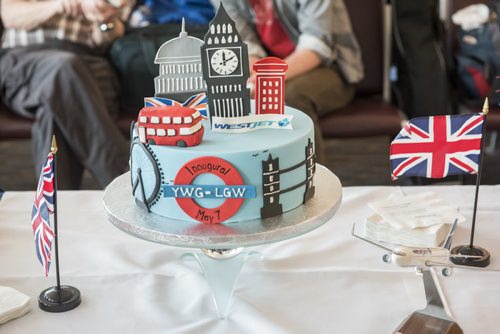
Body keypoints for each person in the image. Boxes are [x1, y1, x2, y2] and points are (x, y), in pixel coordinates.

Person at [0, 0, 133, 189]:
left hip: (87, 61)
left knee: (54, 112)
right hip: (24, 58)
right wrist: (59, 5)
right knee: (63, 70)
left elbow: (106, 35)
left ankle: (55, 213)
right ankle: (125, 182)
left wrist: (105, 21)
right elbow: (11, 16)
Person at [214, 0, 364, 164]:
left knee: (292, 96)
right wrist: (258, 76)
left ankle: (312, 180)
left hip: (331, 67)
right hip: (270, 69)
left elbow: (317, 46)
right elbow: (243, 43)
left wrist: (268, 77)